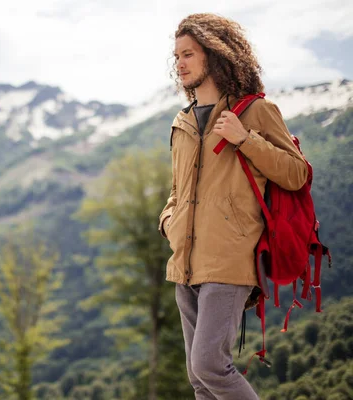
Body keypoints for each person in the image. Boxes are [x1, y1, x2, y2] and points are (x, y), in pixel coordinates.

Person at [158, 13, 308, 400]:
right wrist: (168, 221)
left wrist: (245, 139)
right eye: (177, 57)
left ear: (215, 53)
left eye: (188, 54)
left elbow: (297, 174)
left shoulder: (255, 111)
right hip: (185, 262)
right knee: (199, 379)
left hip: (229, 261)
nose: (180, 64)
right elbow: (177, 190)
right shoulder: (183, 123)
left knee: (210, 365)